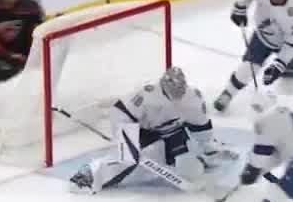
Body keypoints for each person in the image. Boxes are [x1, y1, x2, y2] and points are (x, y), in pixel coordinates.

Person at [69, 66, 218, 194]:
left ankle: (193, 158)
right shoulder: (148, 92)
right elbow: (121, 111)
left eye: (180, 89)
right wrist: (127, 139)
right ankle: (90, 174)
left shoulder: (193, 98)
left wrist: (207, 149)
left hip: (170, 132)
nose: (177, 93)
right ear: (163, 85)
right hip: (138, 126)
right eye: (173, 89)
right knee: (129, 158)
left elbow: (201, 127)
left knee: (188, 170)